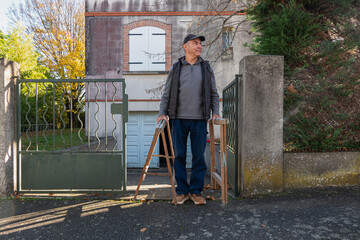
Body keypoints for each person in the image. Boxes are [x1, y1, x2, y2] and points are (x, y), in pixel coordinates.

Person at [157, 34, 221, 205]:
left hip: (200, 119)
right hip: (178, 119)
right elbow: (167, 93)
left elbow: (214, 93)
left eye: (200, 44)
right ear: (186, 46)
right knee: (179, 155)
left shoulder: (206, 68)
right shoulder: (176, 68)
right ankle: (182, 192)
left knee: (199, 156)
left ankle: (196, 192)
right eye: (195, 43)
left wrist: (216, 112)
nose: (199, 46)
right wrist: (162, 112)